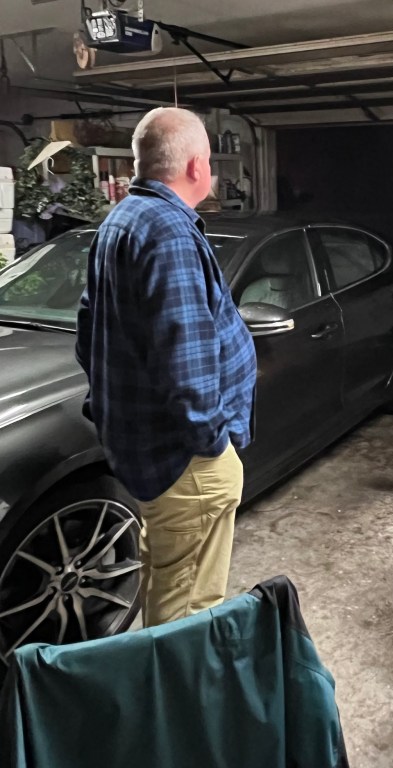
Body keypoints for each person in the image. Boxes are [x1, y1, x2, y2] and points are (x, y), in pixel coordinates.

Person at [75, 107, 257, 626]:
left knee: (168, 577)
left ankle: (160, 670)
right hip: (186, 459)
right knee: (189, 609)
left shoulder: (121, 220)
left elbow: (88, 332)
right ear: (197, 166)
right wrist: (212, 444)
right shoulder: (170, 232)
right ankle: (177, 680)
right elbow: (187, 361)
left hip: (149, 451)